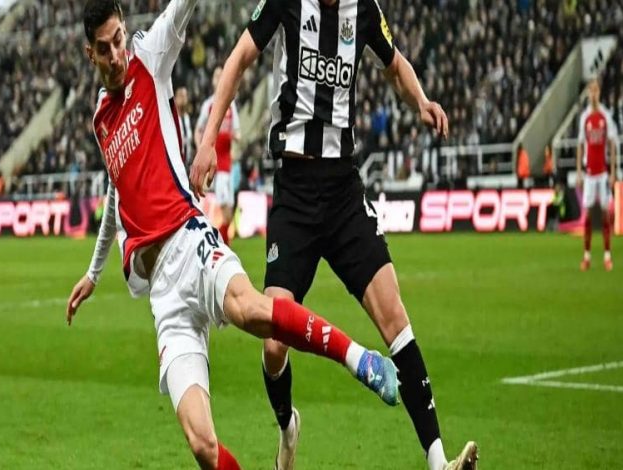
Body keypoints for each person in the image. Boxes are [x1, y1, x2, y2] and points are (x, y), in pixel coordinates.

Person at [66, 1, 400, 468]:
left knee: (250, 310)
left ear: (126, 32)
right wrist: (93, 272)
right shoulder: (101, 118)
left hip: (189, 239)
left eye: (119, 39)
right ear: (90, 54)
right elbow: (116, 191)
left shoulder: (150, 56)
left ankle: (359, 359)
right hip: (163, 294)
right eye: (105, 48)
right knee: (202, 444)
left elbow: (181, 8)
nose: (116, 54)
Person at [189, 1, 478, 469]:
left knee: (396, 319)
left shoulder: (363, 8)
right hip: (295, 195)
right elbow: (239, 58)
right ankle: (287, 424)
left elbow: (395, 64)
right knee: (273, 345)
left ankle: (438, 460)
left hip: (344, 192)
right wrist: (207, 142)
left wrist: (421, 101)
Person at [194, 66, 240, 246]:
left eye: (222, 75)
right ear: (213, 81)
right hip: (214, 162)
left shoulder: (231, 105)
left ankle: (222, 239)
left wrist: (235, 141)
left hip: (227, 162)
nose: (219, 78)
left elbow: (237, 131)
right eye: (216, 76)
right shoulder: (208, 105)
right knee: (220, 202)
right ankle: (219, 239)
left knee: (228, 203)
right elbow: (198, 130)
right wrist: (201, 149)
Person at [576, 78, 618, 271]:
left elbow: (612, 143)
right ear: (588, 94)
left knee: (605, 214)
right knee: (587, 217)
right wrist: (579, 172)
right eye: (590, 91)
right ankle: (587, 256)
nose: (593, 94)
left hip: (602, 174)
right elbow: (580, 145)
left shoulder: (605, 116)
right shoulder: (584, 117)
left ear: (599, 93)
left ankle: (607, 256)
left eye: (596, 90)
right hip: (589, 174)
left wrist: (613, 172)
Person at [174, 86, 195, 171]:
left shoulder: (187, 118)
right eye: (181, 96)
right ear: (175, 98)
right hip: (176, 162)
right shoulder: (172, 119)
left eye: (185, 96)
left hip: (187, 162)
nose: (183, 99)